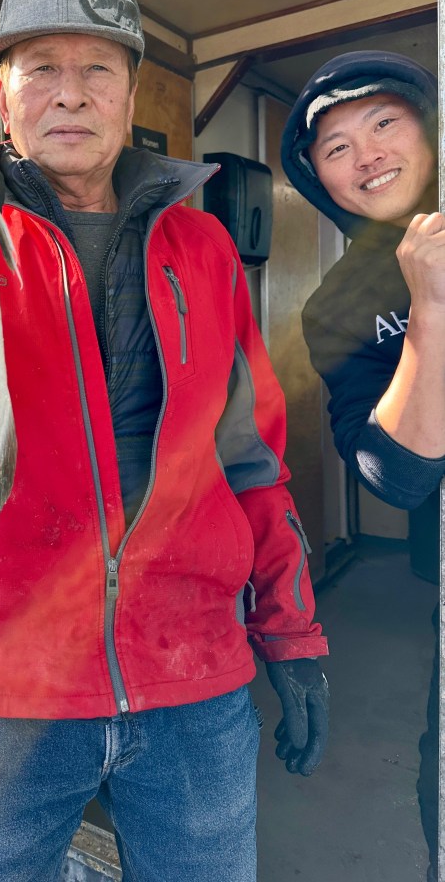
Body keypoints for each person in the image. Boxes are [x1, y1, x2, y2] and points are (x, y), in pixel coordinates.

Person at [0, 0, 330, 882]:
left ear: (128, 98)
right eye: (39, 67)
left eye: (98, 70)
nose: (69, 92)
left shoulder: (202, 247)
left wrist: (291, 632)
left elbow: (250, 462)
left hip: (192, 673)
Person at [281, 49, 442, 881]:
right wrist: (430, 313)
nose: (367, 154)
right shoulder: (338, 304)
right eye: (336, 148)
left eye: (383, 122)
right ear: (317, 180)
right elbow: (395, 478)